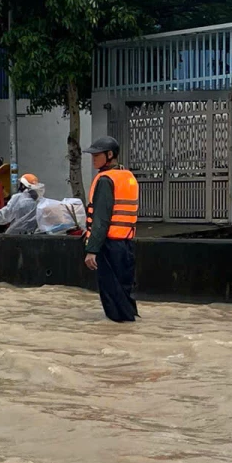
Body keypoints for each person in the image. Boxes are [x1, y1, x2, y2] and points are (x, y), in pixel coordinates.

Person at [83, 136, 139, 323]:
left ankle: (119, 332)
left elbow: (101, 219)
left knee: (112, 296)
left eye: (97, 155)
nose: (93, 159)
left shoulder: (105, 180)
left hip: (108, 246)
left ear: (109, 155)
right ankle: (129, 328)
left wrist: (92, 250)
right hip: (126, 245)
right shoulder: (127, 176)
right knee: (123, 291)